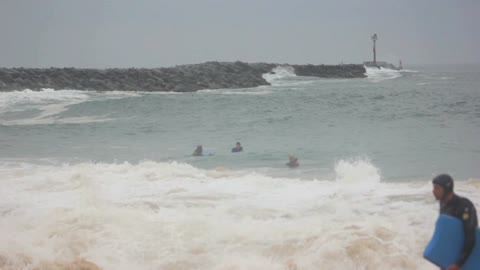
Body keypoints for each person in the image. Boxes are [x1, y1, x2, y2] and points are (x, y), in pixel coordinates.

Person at [432, 174, 478, 270]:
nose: (433, 191)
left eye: (437, 188)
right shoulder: (443, 203)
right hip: (449, 259)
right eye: (434, 188)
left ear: (447, 189)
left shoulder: (465, 205)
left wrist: (458, 264)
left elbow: (470, 238)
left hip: (464, 262)